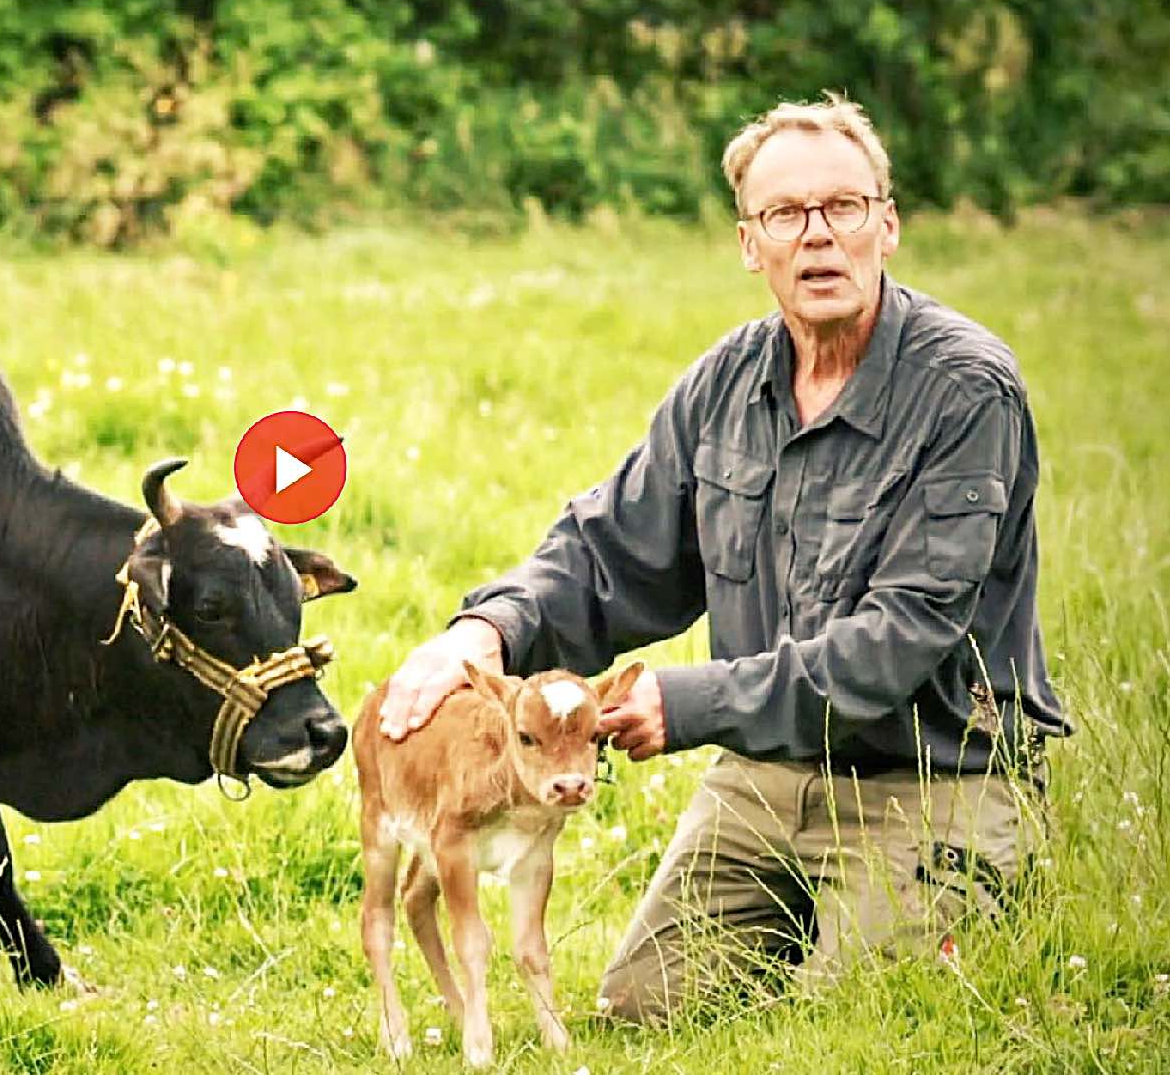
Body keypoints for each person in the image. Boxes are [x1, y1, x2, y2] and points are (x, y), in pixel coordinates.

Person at [375, 95, 1068, 1024]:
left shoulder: (964, 390)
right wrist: (485, 631)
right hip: (766, 772)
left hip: (931, 776)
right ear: (752, 245)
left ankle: (922, 905)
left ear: (887, 225)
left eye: (844, 208)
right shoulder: (726, 383)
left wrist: (693, 703)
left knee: (863, 1018)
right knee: (642, 1011)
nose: (817, 236)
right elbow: (611, 550)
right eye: (786, 215)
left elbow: (902, 638)